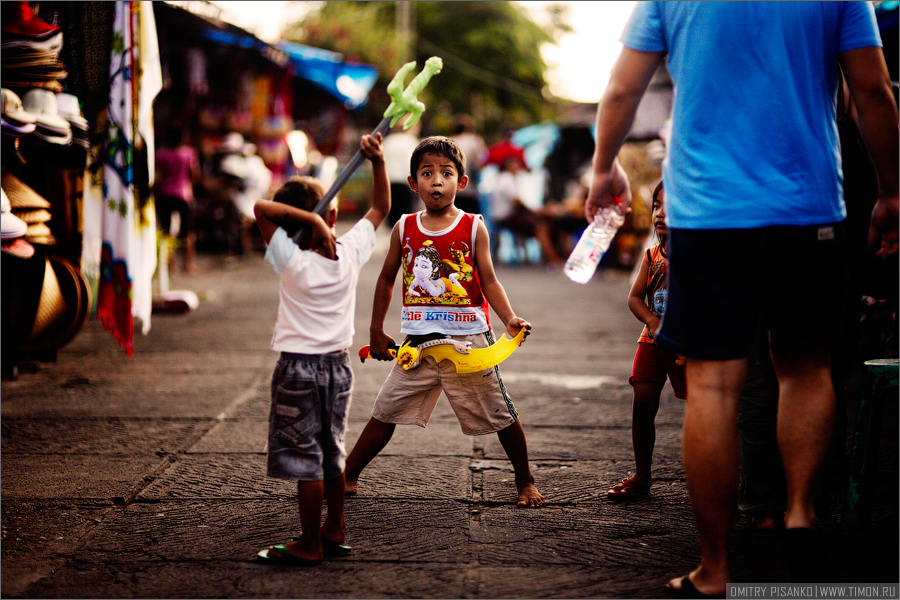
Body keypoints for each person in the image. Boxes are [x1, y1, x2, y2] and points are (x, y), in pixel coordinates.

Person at [584, 3, 898, 596]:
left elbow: (623, 89)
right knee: (805, 369)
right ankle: (801, 511)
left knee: (713, 386)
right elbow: (873, 92)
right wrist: (891, 191)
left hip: (707, 215)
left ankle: (715, 568)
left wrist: (604, 169)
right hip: (809, 211)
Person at [344, 136, 545, 508]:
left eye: (446, 173)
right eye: (427, 173)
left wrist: (509, 318)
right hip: (418, 343)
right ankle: (348, 475)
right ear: (413, 183)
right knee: (384, 410)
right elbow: (387, 278)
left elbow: (489, 280)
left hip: (470, 343)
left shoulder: (473, 227)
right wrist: (375, 330)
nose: (437, 181)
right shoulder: (403, 227)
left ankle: (525, 480)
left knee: (500, 413)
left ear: (462, 183)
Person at [253, 132, 389, 565]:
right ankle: (335, 527)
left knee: (305, 459)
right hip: (338, 368)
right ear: (333, 213)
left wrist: (308, 224)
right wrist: (378, 162)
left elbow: (260, 208)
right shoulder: (348, 251)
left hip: (297, 370)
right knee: (331, 451)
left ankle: (309, 542)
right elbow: (381, 208)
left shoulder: (289, 258)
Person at [608, 181, 687, 502]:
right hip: (653, 338)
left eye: (671, 206)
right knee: (642, 403)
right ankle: (642, 474)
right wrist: (653, 322)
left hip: (688, 343)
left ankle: (715, 474)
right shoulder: (652, 253)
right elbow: (635, 298)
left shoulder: (700, 255)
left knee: (705, 406)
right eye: (656, 206)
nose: (660, 214)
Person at [489, 154, 566, 266]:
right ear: (509, 166)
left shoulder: (505, 178)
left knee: (547, 222)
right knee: (540, 226)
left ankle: (552, 256)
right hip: (506, 216)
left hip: (510, 214)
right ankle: (554, 260)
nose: (519, 167)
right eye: (516, 164)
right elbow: (516, 202)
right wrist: (536, 211)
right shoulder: (507, 179)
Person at [154, 128, 199, 273]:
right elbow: (194, 174)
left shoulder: (161, 154)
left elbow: (156, 174)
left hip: (165, 194)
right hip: (184, 195)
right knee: (187, 232)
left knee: (166, 231)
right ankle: (188, 265)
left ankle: (171, 266)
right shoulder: (188, 153)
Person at [383, 115, 422, 228]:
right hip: (406, 184)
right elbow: (414, 165)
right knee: (406, 219)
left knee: (392, 219)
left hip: (388, 183)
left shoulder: (387, 141)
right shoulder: (411, 141)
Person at [450, 115, 487, 215]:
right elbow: (481, 161)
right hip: (470, 189)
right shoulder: (474, 140)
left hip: (453, 189)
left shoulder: (449, 142)